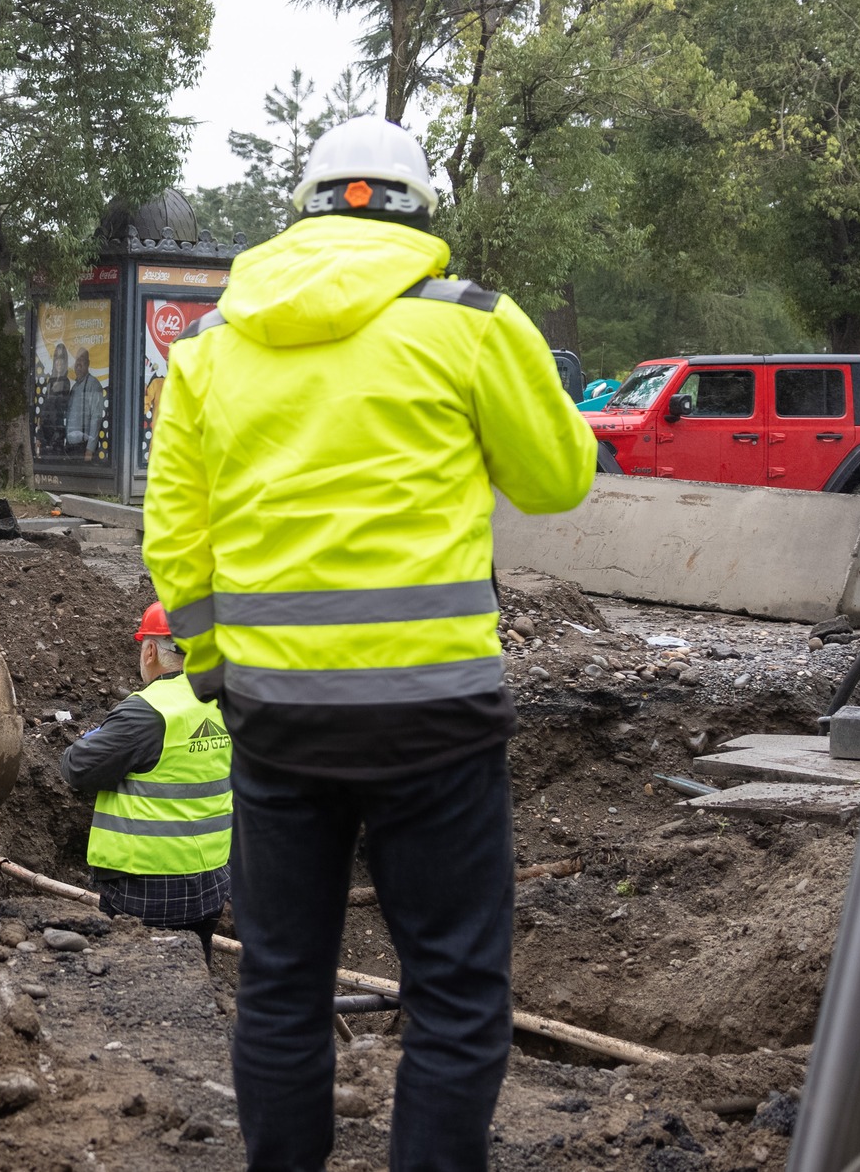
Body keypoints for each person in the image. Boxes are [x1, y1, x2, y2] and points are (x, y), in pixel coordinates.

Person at [142, 116, 596, 1172]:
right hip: (434, 720)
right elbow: (557, 480)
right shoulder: (472, 324)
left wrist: (213, 669)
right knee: (452, 988)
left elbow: (176, 532)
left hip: (275, 720)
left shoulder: (209, 347)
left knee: (281, 983)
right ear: (417, 213)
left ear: (298, 212)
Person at [58, 602, 232, 961]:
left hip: (146, 889)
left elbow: (77, 767)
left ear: (150, 650)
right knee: (195, 977)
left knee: (137, 984)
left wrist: (96, 735)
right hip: (212, 883)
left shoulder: (147, 711)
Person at [64, 348, 105, 458]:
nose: (78, 363)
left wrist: (90, 449)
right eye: (77, 359)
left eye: (81, 359)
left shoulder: (93, 384)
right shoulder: (74, 387)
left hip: (83, 449)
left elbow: (96, 418)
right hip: (70, 448)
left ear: (88, 363)